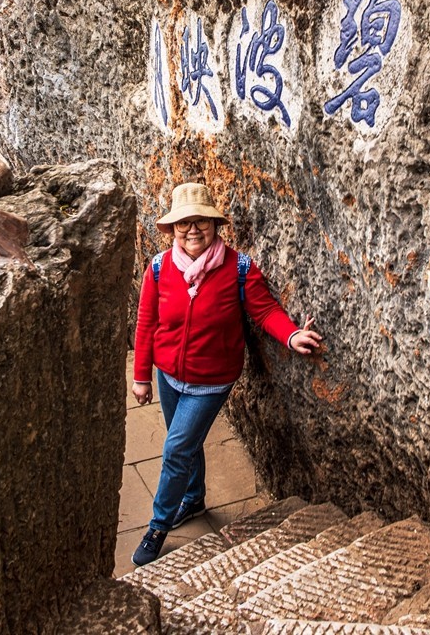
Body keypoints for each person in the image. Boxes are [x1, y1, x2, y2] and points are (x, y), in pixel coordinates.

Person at [131, 182, 322, 567]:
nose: (192, 231)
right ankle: (194, 497)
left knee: (175, 449)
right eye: (184, 224)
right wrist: (141, 376)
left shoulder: (238, 268)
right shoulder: (158, 268)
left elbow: (265, 311)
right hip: (168, 376)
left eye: (201, 222)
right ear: (172, 230)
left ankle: (158, 524)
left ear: (215, 225)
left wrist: (292, 335)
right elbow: (146, 322)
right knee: (185, 443)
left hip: (211, 381)